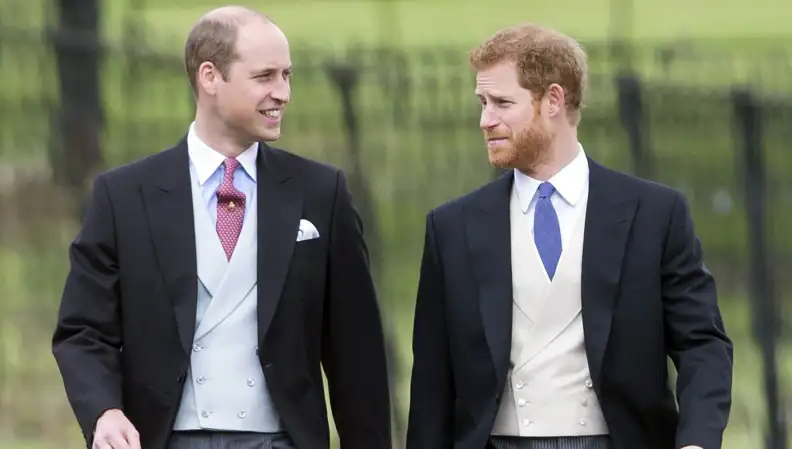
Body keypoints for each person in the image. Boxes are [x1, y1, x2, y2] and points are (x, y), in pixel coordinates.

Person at [52, 6, 391, 449]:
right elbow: (83, 330)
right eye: (265, 76)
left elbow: (355, 351)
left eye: (287, 75)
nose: (283, 92)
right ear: (210, 77)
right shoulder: (124, 196)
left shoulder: (320, 192)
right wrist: (104, 410)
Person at [406, 23, 733, 449]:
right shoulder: (451, 227)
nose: (485, 120)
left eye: (502, 102)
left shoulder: (654, 214)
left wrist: (697, 442)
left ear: (554, 101)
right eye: (482, 102)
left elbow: (701, 343)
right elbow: (432, 378)